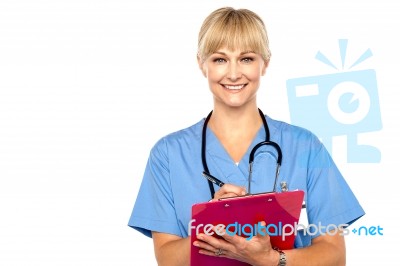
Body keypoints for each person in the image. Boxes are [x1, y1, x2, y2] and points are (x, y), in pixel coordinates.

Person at [128, 7, 364, 266]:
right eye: (220, 59)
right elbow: (167, 259)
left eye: (247, 58)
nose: (233, 74)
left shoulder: (305, 147)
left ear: (265, 63)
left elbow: (335, 256)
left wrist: (272, 259)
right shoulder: (168, 154)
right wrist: (210, 223)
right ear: (201, 63)